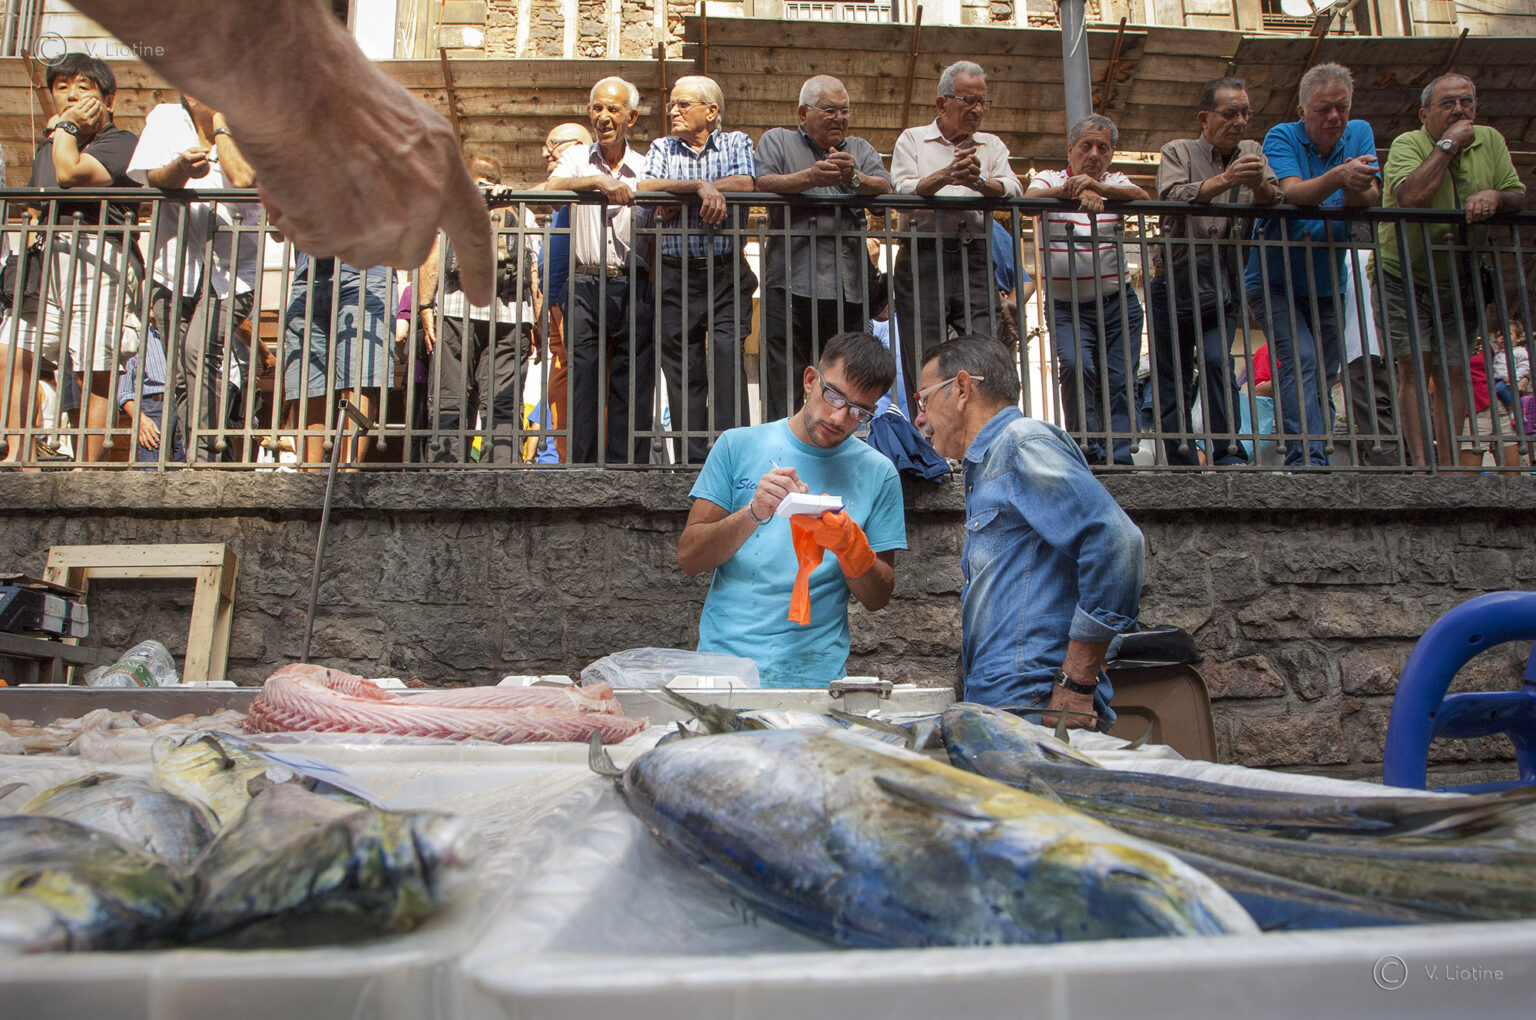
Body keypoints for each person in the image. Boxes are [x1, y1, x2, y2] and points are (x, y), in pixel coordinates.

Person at [71, 0, 496, 306]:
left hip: (304, 272)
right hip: (227, 270)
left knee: (205, 354)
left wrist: (220, 121)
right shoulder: (188, 118)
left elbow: (246, 180)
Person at [912, 333, 1143, 730]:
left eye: (924, 400)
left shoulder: (1019, 444)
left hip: (1034, 703)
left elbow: (1118, 542)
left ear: (962, 389)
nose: (919, 418)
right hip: (1013, 701)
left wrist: (1077, 680)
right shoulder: (988, 462)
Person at [678, 331, 904, 688]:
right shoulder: (737, 445)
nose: (839, 417)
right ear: (810, 379)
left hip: (814, 678)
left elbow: (878, 597)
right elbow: (690, 558)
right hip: (724, 671)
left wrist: (850, 546)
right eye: (834, 396)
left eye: (859, 412)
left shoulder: (879, 473)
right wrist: (753, 513)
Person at [1377, 73, 1526, 469]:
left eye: (1466, 102)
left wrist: (1495, 196)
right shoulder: (1409, 143)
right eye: (1447, 103)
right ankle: (1422, 464)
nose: (1459, 110)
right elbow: (1410, 196)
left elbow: (1517, 194)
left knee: (1455, 369)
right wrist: (1448, 145)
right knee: (1414, 366)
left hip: (1461, 277)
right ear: (1425, 114)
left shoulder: (1490, 140)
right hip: (1403, 272)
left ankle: (1448, 467)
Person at [1, 52, 141, 464]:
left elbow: (70, 174)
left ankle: (87, 465)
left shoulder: (121, 142)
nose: (71, 96)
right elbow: (35, 202)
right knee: (12, 352)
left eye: (83, 87)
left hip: (98, 255)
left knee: (94, 365)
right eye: (61, 88)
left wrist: (65, 128)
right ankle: (20, 455)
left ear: (109, 100)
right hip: (43, 260)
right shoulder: (50, 144)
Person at [1243, 63, 1379, 469]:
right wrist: (1342, 175)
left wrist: (1353, 185)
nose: (1335, 117)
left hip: (1328, 280)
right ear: (1303, 111)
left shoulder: (1360, 131)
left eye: (1342, 107)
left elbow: (1368, 198)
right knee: (1300, 357)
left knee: (1325, 369)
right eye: (1324, 109)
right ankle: (1306, 457)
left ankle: (1316, 450)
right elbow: (1294, 193)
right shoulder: (1282, 136)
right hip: (1274, 278)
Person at [1151, 77, 1281, 468]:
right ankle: (1180, 456)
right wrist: (1227, 179)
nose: (1240, 121)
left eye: (1245, 113)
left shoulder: (1253, 151)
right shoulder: (1177, 151)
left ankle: (1227, 451)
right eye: (1230, 113)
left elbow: (1275, 198)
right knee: (1171, 370)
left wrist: (1258, 185)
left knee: (1216, 360)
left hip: (1223, 281)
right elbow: (1172, 196)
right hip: (1174, 279)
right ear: (1204, 118)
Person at [129, 93, 260, 463]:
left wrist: (220, 124)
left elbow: (244, 177)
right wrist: (181, 168)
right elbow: (152, 178)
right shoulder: (166, 117)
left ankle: (204, 458)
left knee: (198, 350)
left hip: (232, 272)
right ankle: (195, 456)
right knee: (181, 372)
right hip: (172, 268)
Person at [755, 75, 892, 422]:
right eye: (830, 110)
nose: (839, 118)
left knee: (846, 380)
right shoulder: (777, 140)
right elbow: (762, 183)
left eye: (845, 111)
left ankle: (840, 442)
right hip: (790, 281)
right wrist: (810, 178)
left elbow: (886, 192)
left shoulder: (859, 148)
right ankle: (781, 444)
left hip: (849, 288)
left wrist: (854, 178)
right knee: (784, 378)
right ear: (803, 113)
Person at [638, 76, 757, 463]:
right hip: (675, 274)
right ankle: (692, 463)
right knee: (682, 368)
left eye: (683, 104)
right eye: (672, 104)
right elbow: (647, 188)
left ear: (711, 111)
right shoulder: (662, 146)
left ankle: (731, 458)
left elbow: (745, 182)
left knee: (727, 357)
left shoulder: (736, 142)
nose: (673, 110)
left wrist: (685, 193)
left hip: (725, 272)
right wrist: (700, 189)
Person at [890, 61, 1022, 399]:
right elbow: (901, 191)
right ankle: (927, 426)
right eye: (968, 100)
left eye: (982, 101)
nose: (977, 109)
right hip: (922, 255)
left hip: (973, 255)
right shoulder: (913, 139)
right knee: (924, 353)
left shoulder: (991, 145)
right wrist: (947, 175)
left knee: (983, 351)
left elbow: (1012, 188)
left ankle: (981, 423)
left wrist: (979, 181)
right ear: (942, 103)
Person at [1028, 114, 1149, 465]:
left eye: (1103, 148)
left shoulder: (1115, 181)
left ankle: (1120, 455)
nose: (1095, 154)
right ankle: (1086, 449)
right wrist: (1071, 191)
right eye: (1086, 146)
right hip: (1066, 305)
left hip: (1117, 303)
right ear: (1070, 150)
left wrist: (1100, 189)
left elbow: (1141, 196)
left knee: (1119, 377)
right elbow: (1029, 198)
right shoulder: (1050, 178)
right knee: (1076, 366)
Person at [547, 79, 654, 465]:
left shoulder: (647, 165)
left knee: (633, 379)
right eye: (597, 108)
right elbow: (550, 188)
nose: (603, 117)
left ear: (631, 117)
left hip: (634, 282)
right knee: (583, 378)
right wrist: (597, 182)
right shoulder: (578, 158)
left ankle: (629, 468)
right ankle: (583, 468)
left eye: (613, 109)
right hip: (585, 281)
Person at [417, 153, 540, 465]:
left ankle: (446, 466)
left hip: (457, 309)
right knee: (504, 400)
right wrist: (536, 322)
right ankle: (502, 467)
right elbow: (534, 271)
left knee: (450, 395)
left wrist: (425, 306)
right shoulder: (520, 210)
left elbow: (432, 257)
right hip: (511, 315)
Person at [535, 122, 594, 462]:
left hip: (577, 298)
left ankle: (580, 456)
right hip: (556, 299)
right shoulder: (561, 186)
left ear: (578, 146)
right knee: (561, 377)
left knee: (578, 376)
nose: (546, 152)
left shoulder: (581, 176)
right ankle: (565, 455)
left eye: (553, 143)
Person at [116, 325, 185, 466]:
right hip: (153, 407)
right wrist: (140, 420)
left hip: (186, 403)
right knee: (151, 469)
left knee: (185, 469)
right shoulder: (138, 339)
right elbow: (123, 392)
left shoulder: (189, 336)